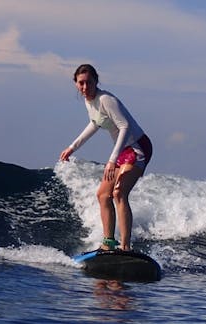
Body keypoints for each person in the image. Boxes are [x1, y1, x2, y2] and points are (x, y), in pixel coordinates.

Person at [59, 64, 152, 251]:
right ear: (76, 84)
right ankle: (108, 243)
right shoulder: (89, 102)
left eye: (89, 83)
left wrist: (111, 160)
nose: (85, 87)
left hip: (138, 147)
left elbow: (124, 126)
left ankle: (126, 246)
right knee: (102, 195)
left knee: (119, 193)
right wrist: (72, 147)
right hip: (123, 151)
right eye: (81, 83)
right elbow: (95, 123)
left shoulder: (106, 100)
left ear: (96, 81)